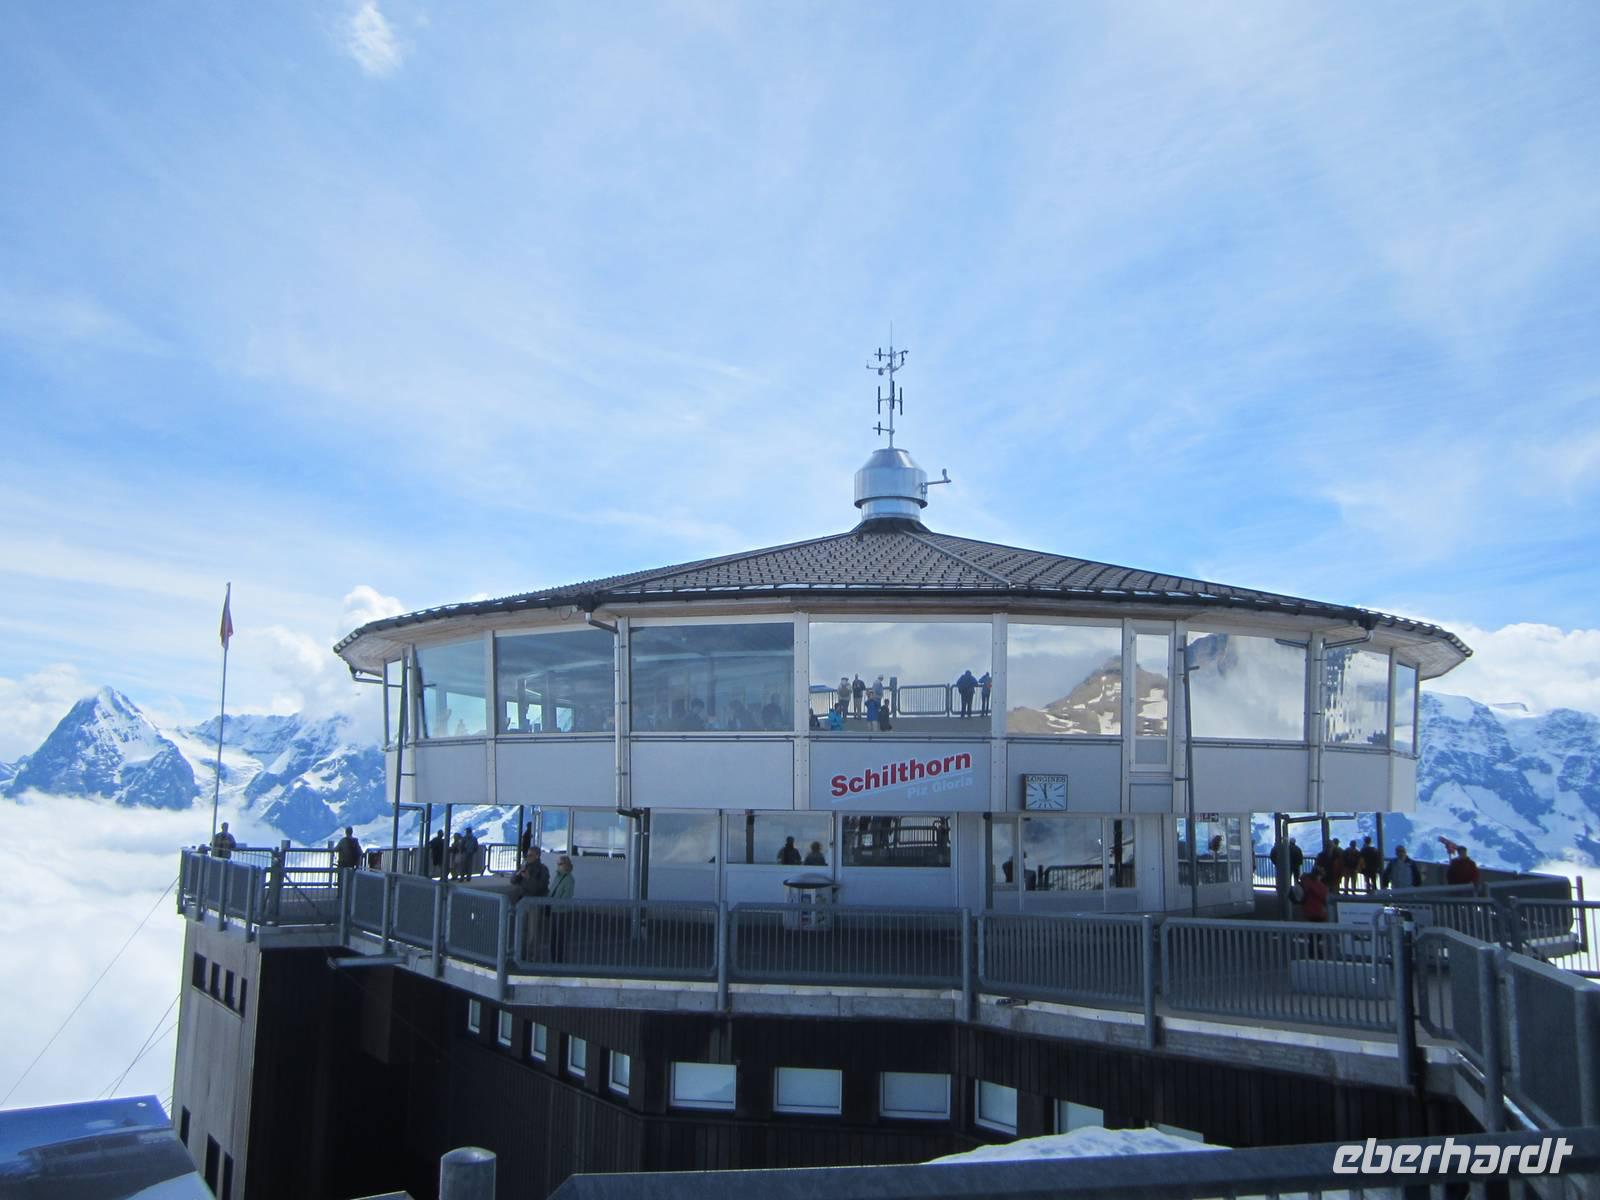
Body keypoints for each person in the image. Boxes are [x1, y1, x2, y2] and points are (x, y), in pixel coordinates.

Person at [510, 847, 550, 958]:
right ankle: (519, 954)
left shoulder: (542, 870)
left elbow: (540, 887)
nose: (528, 858)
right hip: (522, 902)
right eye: (527, 855)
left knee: (533, 932)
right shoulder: (524, 867)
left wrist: (529, 878)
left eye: (530, 855)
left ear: (537, 856)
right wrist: (518, 873)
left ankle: (530, 955)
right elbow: (513, 881)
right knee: (521, 929)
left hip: (534, 903)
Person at [548, 855, 575, 962]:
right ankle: (553, 958)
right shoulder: (558, 876)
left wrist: (555, 903)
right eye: (557, 864)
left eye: (560, 864)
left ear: (566, 865)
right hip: (554, 910)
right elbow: (552, 890)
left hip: (562, 911)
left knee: (560, 937)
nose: (558, 866)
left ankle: (559, 959)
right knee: (554, 936)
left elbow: (567, 895)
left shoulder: (568, 879)